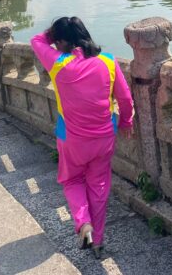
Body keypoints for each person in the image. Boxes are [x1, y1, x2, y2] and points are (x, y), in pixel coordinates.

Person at [30, 18, 134, 258]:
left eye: (58, 42)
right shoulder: (107, 61)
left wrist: (53, 34)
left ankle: (83, 223)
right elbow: (126, 99)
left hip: (71, 139)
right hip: (104, 137)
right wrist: (127, 121)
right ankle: (98, 241)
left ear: (64, 41)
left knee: (72, 181)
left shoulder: (58, 63)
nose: (55, 46)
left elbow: (36, 40)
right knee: (98, 186)